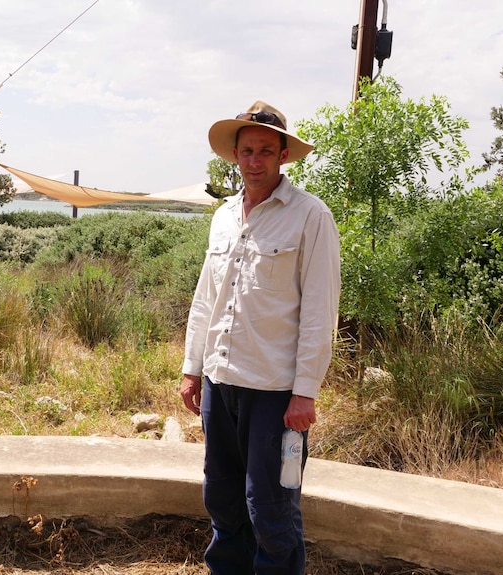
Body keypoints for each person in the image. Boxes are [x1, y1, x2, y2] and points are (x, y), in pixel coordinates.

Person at [180, 101, 341, 575]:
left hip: (274, 393)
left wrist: (305, 391)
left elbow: (319, 312)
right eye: (247, 150)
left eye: (266, 151)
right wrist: (193, 369)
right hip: (220, 382)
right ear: (234, 155)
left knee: (270, 508)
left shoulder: (311, 217)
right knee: (223, 500)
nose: (255, 160)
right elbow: (205, 299)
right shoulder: (224, 216)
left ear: (284, 155)